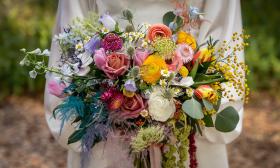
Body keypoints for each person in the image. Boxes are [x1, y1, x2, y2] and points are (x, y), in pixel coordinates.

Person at [44, 0, 244, 167]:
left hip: (188, 124)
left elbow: (220, 33)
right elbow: (73, 34)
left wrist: (181, 98)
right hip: (105, 122)